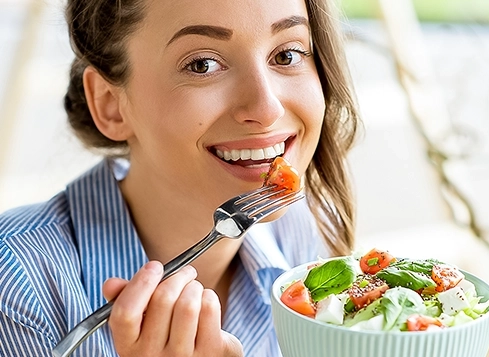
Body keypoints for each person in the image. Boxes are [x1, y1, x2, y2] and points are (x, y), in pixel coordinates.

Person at [0, 0, 360, 355]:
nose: (267, 109)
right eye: (202, 65)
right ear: (110, 103)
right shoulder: (17, 288)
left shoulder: (305, 233)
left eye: (287, 55)